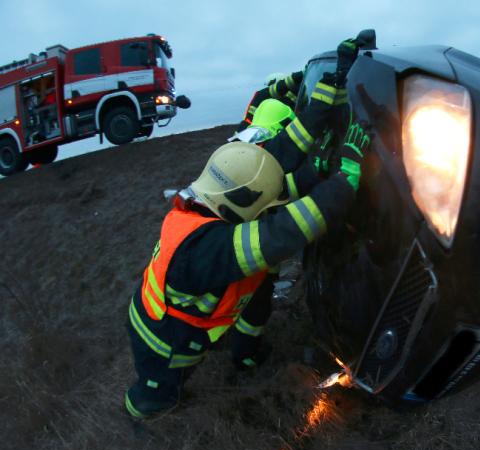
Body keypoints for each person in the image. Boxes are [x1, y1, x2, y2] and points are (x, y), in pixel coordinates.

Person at [124, 38, 367, 418]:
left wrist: (328, 94)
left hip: (182, 315)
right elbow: (282, 231)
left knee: (254, 294)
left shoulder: (217, 190)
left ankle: (245, 354)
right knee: (159, 396)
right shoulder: (207, 248)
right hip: (161, 341)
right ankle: (141, 418)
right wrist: (344, 181)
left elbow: (278, 163)